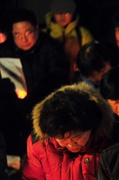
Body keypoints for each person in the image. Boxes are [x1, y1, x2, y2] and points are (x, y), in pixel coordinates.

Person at [0, 8, 70, 155]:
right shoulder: (5, 51)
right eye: (17, 35)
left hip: (43, 105)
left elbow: (58, 76)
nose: (23, 39)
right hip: (12, 108)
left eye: (28, 32)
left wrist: (35, 95)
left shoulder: (51, 47)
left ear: (37, 29)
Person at [44, 0, 94, 81]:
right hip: (51, 81)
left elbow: (91, 60)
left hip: (77, 80)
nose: (62, 16)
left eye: (66, 12)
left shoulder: (83, 33)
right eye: (58, 12)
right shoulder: (44, 34)